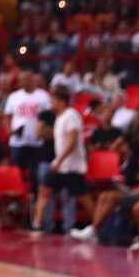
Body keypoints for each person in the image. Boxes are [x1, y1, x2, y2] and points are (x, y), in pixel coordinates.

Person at [31, 86, 87, 235]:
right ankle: (37, 225)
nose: (51, 102)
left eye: (53, 99)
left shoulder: (71, 115)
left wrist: (60, 160)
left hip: (72, 166)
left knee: (82, 197)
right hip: (60, 165)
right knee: (44, 189)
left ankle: (96, 226)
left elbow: (73, 141)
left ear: (61, 101)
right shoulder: (59, 117)